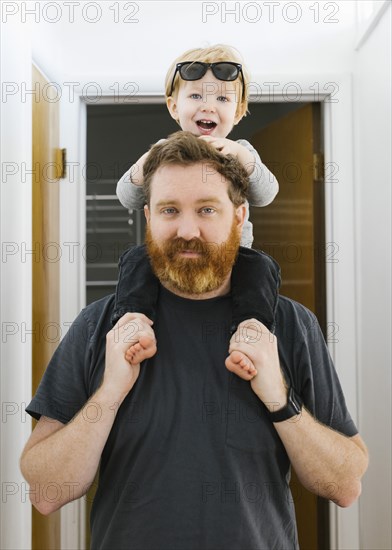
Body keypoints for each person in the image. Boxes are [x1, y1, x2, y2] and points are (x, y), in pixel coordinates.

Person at [20, 132, 368, 550]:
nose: (187, 229)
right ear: (148, 216)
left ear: (239, 218)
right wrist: (109, 394)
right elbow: (46, 492)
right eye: (170, 210)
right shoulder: (100, 326)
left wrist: (280, 399)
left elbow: (345, 485)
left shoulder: (290, 325)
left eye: (206, 209)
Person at [113, 44, 280, 374]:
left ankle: (252, 328)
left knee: (261, 268)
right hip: (171, 253)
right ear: (174, 106)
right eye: (196, 97)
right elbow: (127, 198)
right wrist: (142, 166)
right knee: (135, 260)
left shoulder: (242, 150)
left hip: (233, 255)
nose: (209, 106)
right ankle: (133, 318)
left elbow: (266, 194)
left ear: (239, 109)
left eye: (222, 99)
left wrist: (246, 161)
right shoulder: (162, 152)